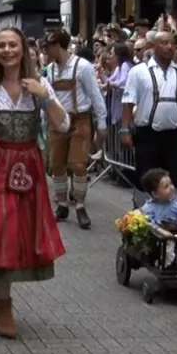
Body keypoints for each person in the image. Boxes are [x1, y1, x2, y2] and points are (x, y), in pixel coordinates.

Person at [0, 27, 67, 339]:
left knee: (21, 231)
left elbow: (63, 122)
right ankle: (4, 301)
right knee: (2, 230)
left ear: (24, 49)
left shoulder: (39, 85)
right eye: (2, 45)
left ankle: (0, 294)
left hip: (28, 166)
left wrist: (45, 97)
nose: (7, 50)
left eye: (13, 45)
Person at [42, 29, 107, 228]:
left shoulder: (82, 67)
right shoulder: (50, 69)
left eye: (48, 47)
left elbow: (95, 95)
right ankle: (62, 205)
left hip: (80, 119)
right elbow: (48, 98)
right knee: (57, 165)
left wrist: (102, 123)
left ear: (57, 46)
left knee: (79, 165)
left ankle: (79, 205)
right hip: (57, 121)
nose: (45, 51)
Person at [120, 31, 177, 190]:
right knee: (146, 177)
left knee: (174, 178)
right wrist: (125, 129)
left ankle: (171, 212)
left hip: (175, 135)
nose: (169, 47)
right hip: (146, 134)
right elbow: (128, 102)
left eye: (172, 44)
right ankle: (143, 213)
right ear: (153, 46)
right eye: (164, 43)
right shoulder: (138, 71)